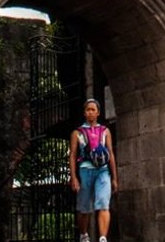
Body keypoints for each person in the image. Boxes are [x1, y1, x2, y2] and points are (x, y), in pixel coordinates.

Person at [69, 99, 118, 242]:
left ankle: (103, 238)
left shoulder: (105, 131)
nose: (90, 112)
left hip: (102, 171)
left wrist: (114, 177)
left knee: (103, 203)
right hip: (85, 171)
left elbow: (111, 154)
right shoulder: (77, 133)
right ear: (84, 113)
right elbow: (72, 155)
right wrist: (74, 177)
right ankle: (83, 235)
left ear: (98, 113)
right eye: (88, 110)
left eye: (93, 110)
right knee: (84, 208)